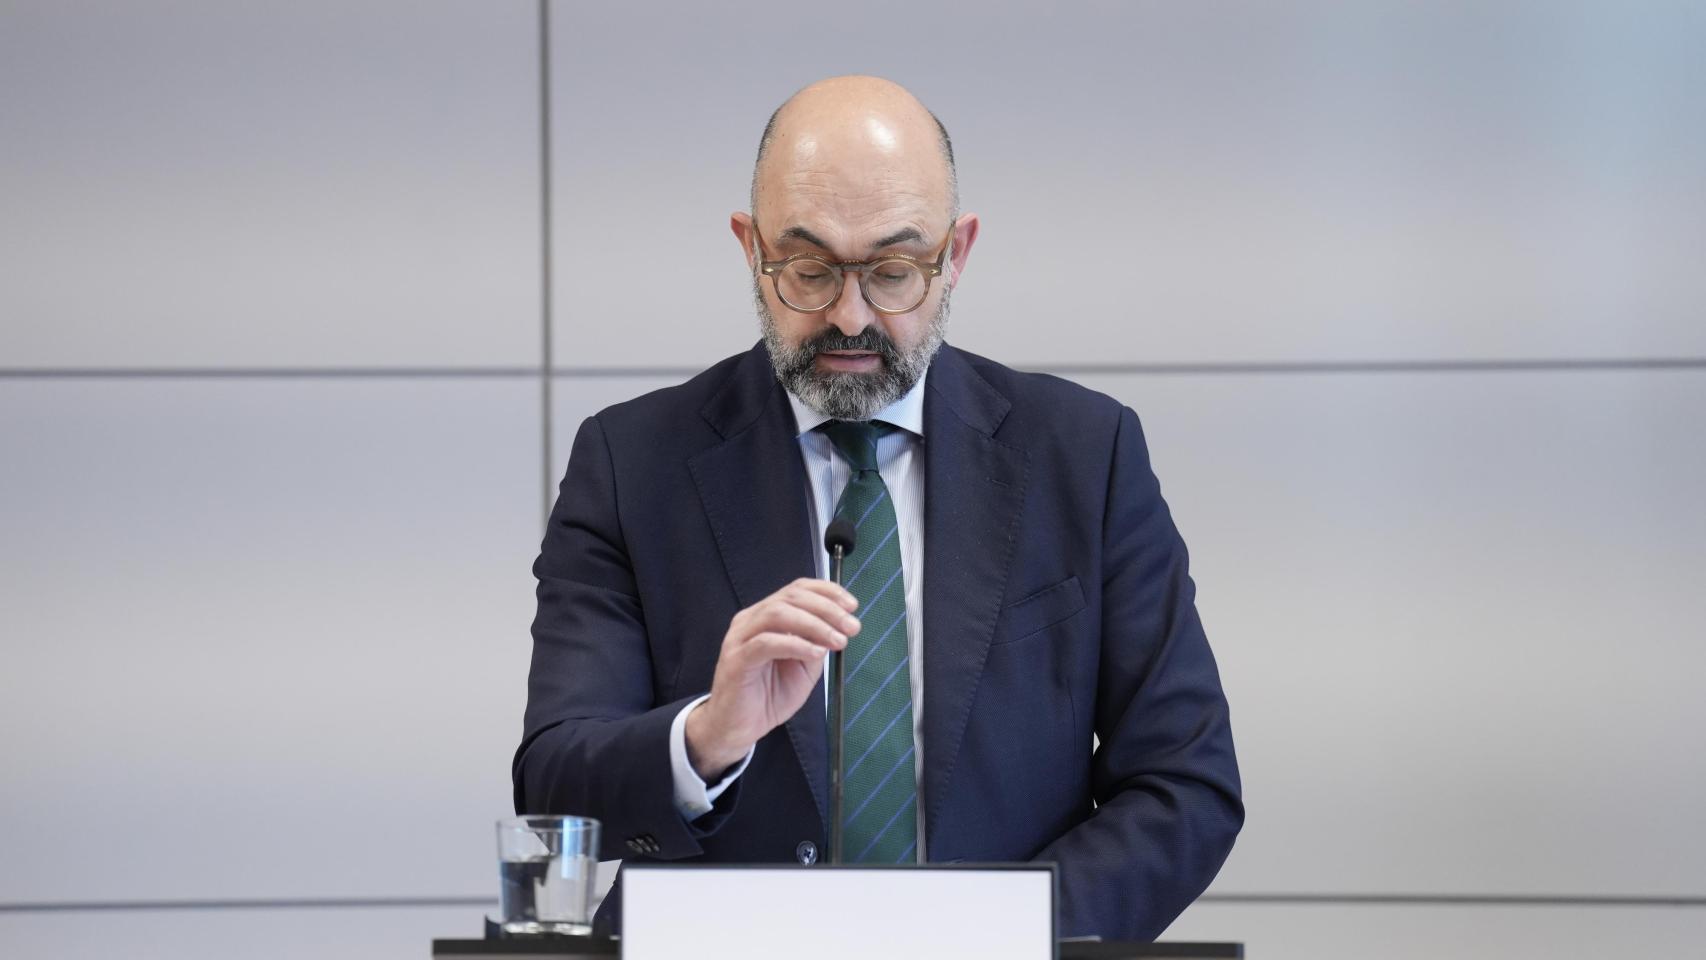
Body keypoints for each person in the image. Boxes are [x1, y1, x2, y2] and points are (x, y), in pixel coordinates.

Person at [513, 75, 1242, 941]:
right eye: (811, 269)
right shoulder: (632, 463)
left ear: (956, 253)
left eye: (893, 271)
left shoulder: (1086, 455)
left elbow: (1185, 784)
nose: (850, 316)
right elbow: (554, 782)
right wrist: (708, 736)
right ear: (751, 250)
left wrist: (995, 935)